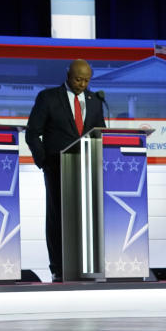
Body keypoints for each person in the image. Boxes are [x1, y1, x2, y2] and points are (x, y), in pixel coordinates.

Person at [26, 59, 105, 282]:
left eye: (87, 80)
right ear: (68, 75)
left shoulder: (95, 100)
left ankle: (86, 265)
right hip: (57, 166)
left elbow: (100, 132)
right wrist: (43, 161)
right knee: (57, 217)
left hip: (88, 168)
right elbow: (32, 132)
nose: (82, 84)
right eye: (78, 79)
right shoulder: (48, 97)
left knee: (87, 217)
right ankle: (58, 268)